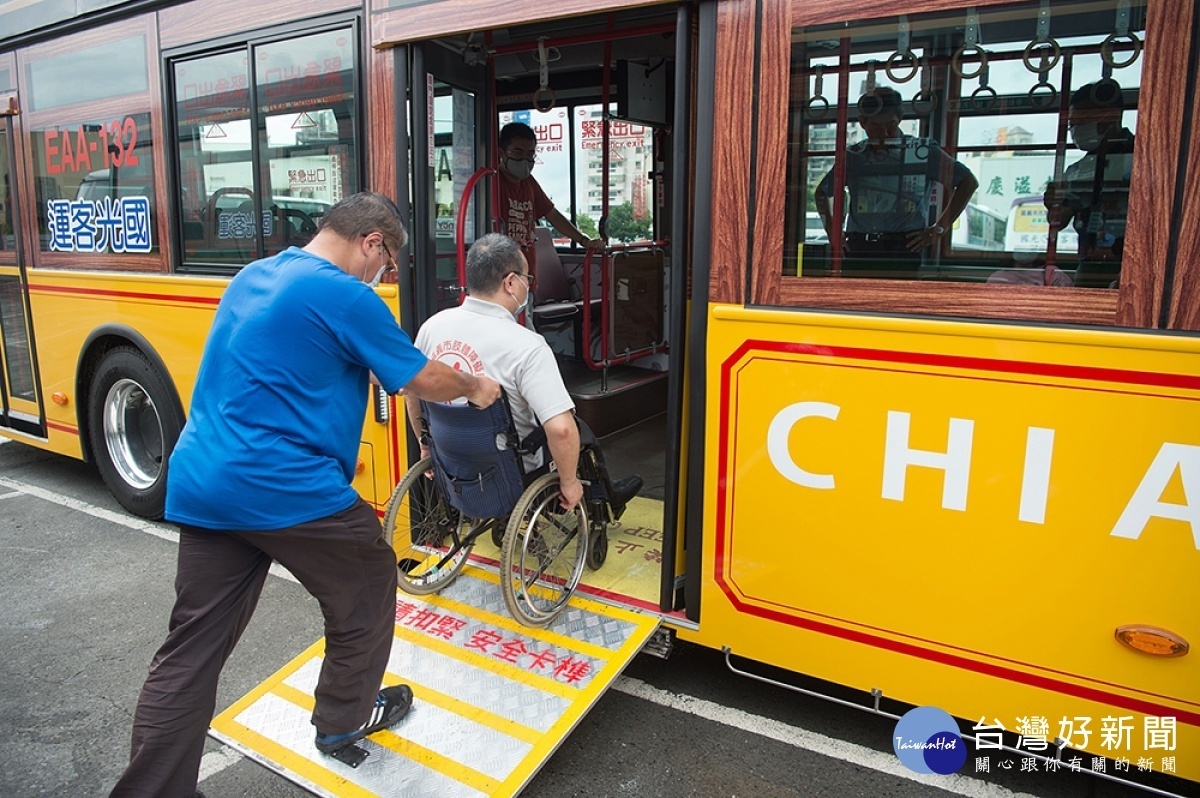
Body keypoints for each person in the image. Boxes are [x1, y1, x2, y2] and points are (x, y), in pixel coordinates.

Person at [108, 192, 501, 798]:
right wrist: (476, 387)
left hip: (207, 477)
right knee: (370, 580)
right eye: (387, 261)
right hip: (282, 484)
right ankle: (343, 720)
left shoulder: (257, 273)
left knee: (192, 646)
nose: (383, 274)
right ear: (371, 242)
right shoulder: (345, 294)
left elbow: (286, 361)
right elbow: (422, 375)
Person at [405, 233, 641, 515]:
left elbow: (412, 391)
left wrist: (424, 444)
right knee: (576, 428)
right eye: (526, 279)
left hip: (450, 456)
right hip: (510, 467)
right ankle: (604, 497)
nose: (528, 286)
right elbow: (561, 430)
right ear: (510, 282)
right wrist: (569, 482)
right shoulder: (526, 345)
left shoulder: (433, 327)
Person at [814, 86, 978, 279]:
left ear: (900, 118)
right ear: (863, 124)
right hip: (860, 247)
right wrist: (833, 233)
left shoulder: (921, 153)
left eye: (890, 125)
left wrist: (938, 229)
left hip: (903, 246)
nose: (884, 134)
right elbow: (822, 193)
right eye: (876, 127)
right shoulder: (855, 156)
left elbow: (967, 182)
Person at [1043, 81, 1135, 289]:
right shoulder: (1077, 170)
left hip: (1132, 263)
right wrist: (1053, 205)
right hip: (1089, 263)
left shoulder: (1141, 157)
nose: (1076, 130)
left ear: (1112, 115)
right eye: (1072, 125)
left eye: (1082, 121)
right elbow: (1059, 221)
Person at [497, 121, 602, 278]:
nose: (525, 160)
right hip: (500, 275)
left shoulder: (529, 183)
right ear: (502, 153)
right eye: (518, 153)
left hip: (526, 274)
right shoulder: (493, 183)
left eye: (530, 154)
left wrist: (583, 240)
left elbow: (552, 215)